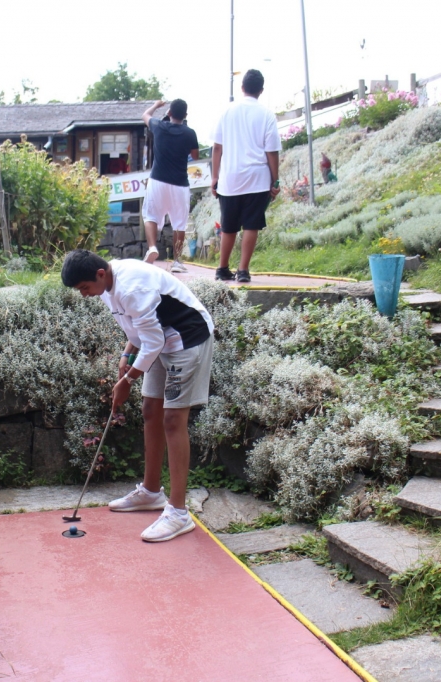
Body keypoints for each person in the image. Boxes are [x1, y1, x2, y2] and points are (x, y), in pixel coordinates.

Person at [60, 249, 214, 542]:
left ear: (100, 274)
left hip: (187, 339)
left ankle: (179, 513)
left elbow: (153, 338)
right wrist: (126, 355)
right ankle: (151, 492)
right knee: (150, 411)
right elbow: (137, 329)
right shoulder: (107, 286)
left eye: (84, 288)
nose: (84, 295)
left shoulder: (133, 287)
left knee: (172, 419)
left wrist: (128, 379)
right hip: (158, 340)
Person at [210, 69, 281, 283]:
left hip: (229, 179)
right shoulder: (267, 114)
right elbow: (272, 151)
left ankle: (222, 268)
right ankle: (242, 271)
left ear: (242, 88)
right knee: (251, 225)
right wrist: (274, 180)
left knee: (228, 225)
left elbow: (216, 148)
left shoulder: (227, 112)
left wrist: (215, 177)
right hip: (257, 179)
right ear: (261, 90)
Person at [141, 99, 199, 273]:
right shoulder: (190, 133)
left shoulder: (159, 126)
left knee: (151, 215)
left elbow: (145, 115)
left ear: (170, 113)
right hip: (179, 184)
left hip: (157, 180)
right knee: (179, 223)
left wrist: (157, 106)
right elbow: (195, 156)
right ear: (185, 115)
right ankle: (177, 261)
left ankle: (152, 247)